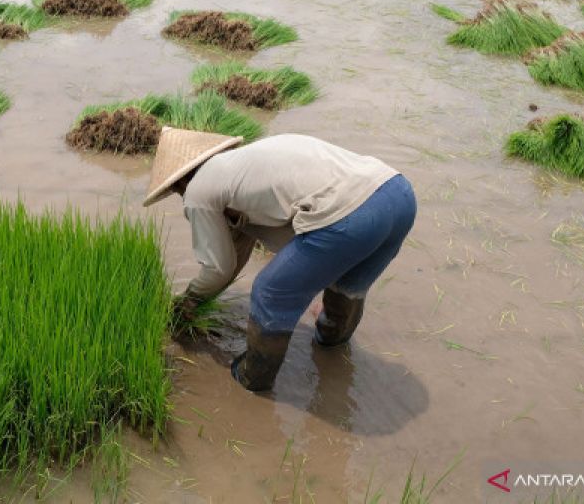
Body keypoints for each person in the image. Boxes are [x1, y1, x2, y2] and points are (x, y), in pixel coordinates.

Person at [145, 127, 417, 392]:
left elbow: (219, 268)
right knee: (347, 285)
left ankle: (253, 379)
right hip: (398, 194)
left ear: (180, 180)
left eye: (175, 191)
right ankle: (332, 350)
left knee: (270, 292)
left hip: (353, 217)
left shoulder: (198, 191)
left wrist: (186, 302)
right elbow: (235, 255)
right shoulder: (244, 166)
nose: (180, 196)